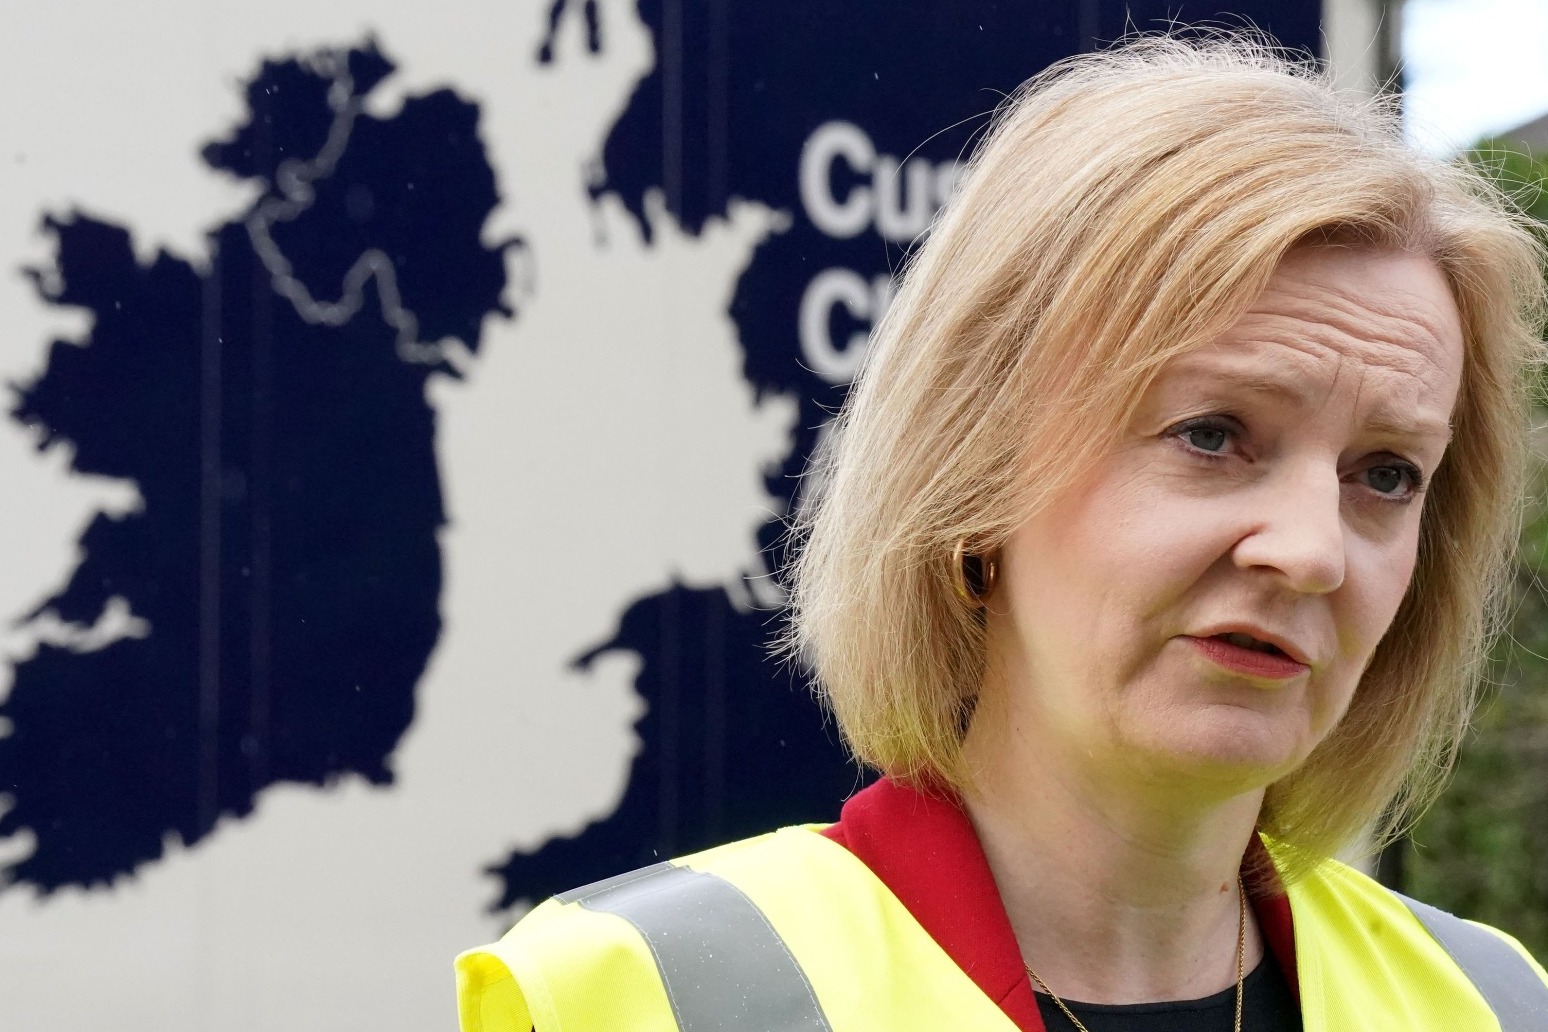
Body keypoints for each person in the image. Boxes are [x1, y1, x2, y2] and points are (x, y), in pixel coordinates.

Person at [454, 34, 1548, 1031]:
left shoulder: (1490, 1006)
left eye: (1387, 475)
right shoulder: (631, 997)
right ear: (975, 470)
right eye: (1212, 435)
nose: (1310, 552)